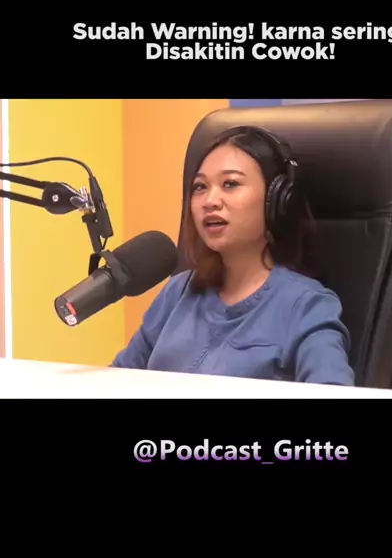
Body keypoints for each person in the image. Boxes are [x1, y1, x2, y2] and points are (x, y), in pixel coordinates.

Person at [111, 125, 355, 386]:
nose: (210, 200)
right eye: (200, 187)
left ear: (277, 201)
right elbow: (115, 381)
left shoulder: (306, 305)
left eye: (230, 184)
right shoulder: (178, 292)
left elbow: (333, 389)